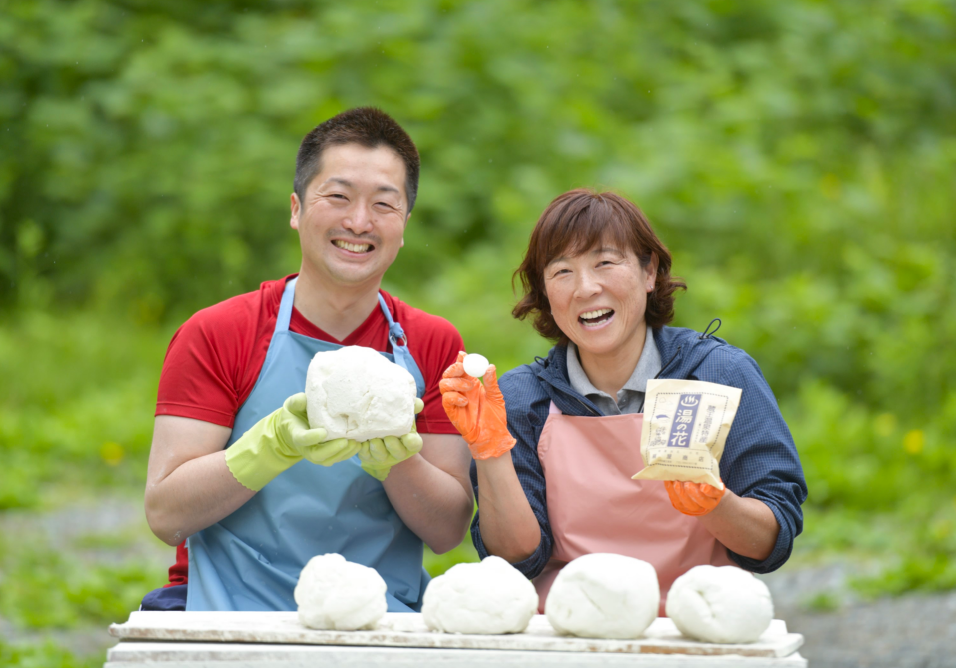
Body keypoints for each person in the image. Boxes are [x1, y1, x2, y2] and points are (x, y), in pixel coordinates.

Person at [140, 108, 474, 613]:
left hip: (380, 621)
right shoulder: (220, 333)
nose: (358, 222)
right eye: (337, 197)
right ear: (296, 208)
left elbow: (448, 530)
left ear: (404, 225)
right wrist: (268, 447)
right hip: (229, 613)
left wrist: (398, 462)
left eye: (384, 204)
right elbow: (167, 516)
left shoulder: (432, 343)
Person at [440, 189, 807, 612]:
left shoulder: (716, 374)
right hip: (568, 632)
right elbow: (517, 559)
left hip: (696, 629)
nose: (586, 288)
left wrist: (716, 505)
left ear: (649, 272)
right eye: (562, 272)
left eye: (605, 263)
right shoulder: (523, 398)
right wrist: (490, 451)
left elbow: (771, 542)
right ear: (544, 293)